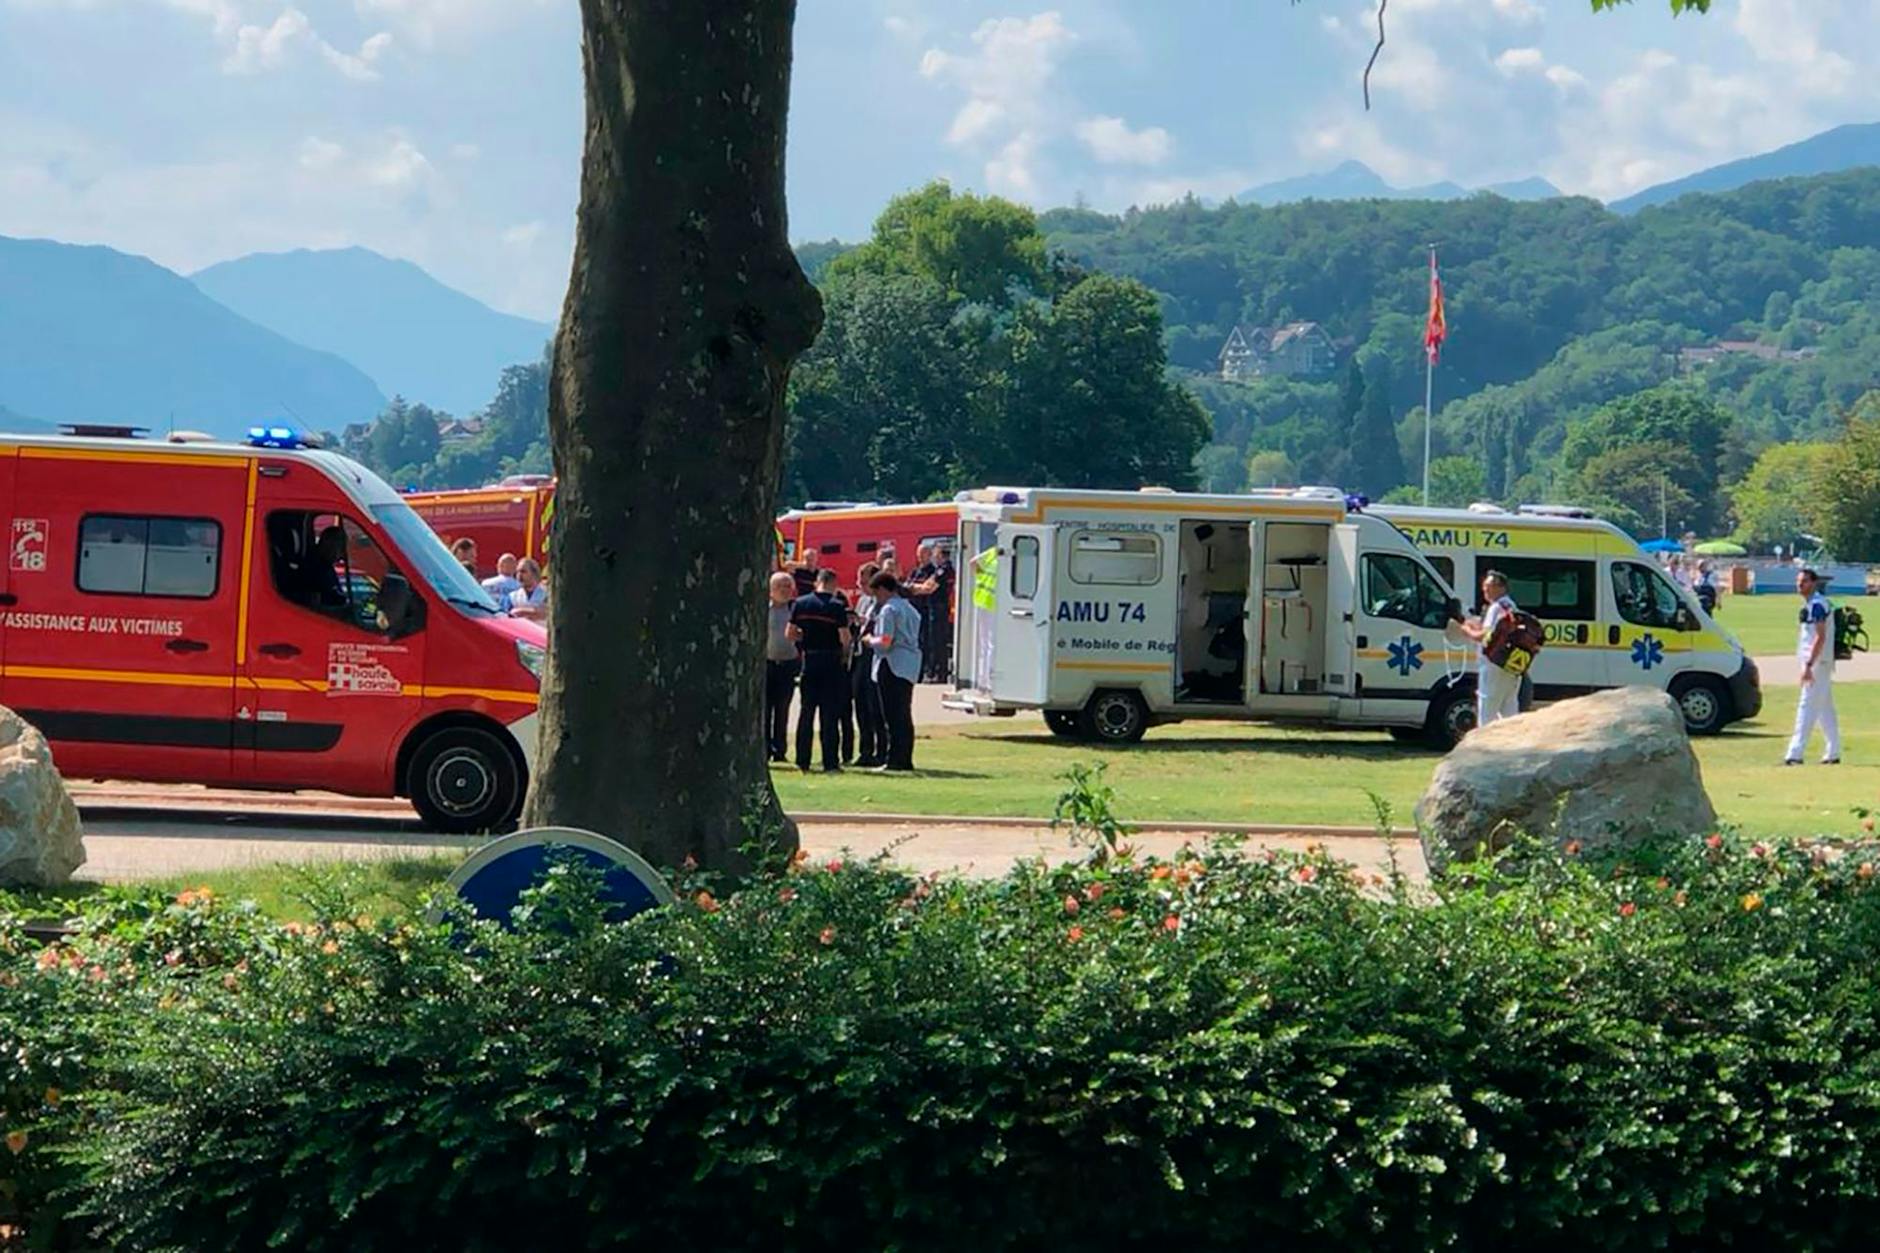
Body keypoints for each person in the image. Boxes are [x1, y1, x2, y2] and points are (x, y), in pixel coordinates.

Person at [788, 567, 851, 772]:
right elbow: (845, 638)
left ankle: (802, 760)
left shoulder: (800, 603)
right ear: (832, 583)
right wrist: (844, 655)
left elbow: (790, 633)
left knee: (806, 712)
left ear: (817, 582)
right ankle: (830, 761)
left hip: (810, 659)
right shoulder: (836, 606)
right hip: (831, 661)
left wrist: (805, 639)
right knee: (829, 713)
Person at [864, 571, 923, 772]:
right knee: (904, 714)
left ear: (882, 589)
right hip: (909, 664)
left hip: (891, 664)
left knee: (892, 715)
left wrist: (869, 640)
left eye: (876, 593)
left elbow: (885, 641)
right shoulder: (910, 608)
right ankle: (904, 757)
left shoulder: (889, 609)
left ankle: (894, 759)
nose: (876, 598)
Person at [1785, 567, 1840, 766]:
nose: (1800, 585)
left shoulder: (1817, 604)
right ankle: (1833, 750)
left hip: (1817, 662)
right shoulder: (1812, 604)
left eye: (1805, 581)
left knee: (1806, 705)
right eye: (1799, 581)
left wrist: (1809, 664)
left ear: (1814, 583)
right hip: (1817, 661)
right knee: (1825, 708)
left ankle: (1795, 753)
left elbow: (1820, 636)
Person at [1456, 569, 1523, 729]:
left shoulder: (1496, 607)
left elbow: (1484, 637)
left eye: (1490, 585)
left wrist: (1467, 630)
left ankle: (1484, 748)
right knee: (1509, 711)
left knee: (1487, 711)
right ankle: (1512, 747)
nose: (1485, 589)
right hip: (1510, 665)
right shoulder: (1510, 605)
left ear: (1502, 588)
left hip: (1493, 665)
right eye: (1484, 585)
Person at [849, 562, 885, 767]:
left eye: (863, 581)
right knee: (860, 704)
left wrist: (865, 622)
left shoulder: (883, 603)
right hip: (860, 655)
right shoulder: (863, 600)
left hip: (875, 655)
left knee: (875, 707)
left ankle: (881, 750)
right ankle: (865, 750)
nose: (859, 584)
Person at [764, 571, 799, 763]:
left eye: (788, 586)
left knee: (782, 709)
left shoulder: (795, 609)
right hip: (767, 665)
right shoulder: (763, 609)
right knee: (765, 710)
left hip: (787, 665)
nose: (785, 590)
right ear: (771, 590)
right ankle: (764, 748)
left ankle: (780, 750)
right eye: (780, 586)